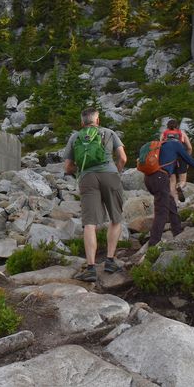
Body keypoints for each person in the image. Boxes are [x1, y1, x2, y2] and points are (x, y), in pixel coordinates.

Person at [64, 107, 127, 282]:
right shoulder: (109, 132)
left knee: (89, 223)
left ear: (82, 122)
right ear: (97, 120)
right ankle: (110, 260)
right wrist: (116, 171)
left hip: (87, 179)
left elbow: (68, 167)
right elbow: (123, 158)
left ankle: (91, 268)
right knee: (116, 218)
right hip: (110, 175)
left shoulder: (75, 137)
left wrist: (83, 169)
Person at [144, 137, 194, 246]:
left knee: (170, 203)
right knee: (161, 212)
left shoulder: (160, 146)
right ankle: (153, 243)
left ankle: (177, 233)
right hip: (160, 177)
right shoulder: (176, 145)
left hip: (148, 178)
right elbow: (187, 158)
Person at [161, 118, 193, 204]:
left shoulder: (164, 135)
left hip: (169, 161)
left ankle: (175, 203)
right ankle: (180, 186)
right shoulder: (182, 134)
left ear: (167, 127)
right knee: (182, 180)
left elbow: (160, 148)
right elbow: (189, 148)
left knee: (172, 182)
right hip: (181, 159)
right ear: (177, 126)